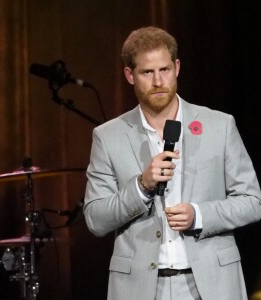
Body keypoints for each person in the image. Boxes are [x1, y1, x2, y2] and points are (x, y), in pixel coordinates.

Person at [83, 26, 261, 300]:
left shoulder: (219, 125)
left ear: (177, 68)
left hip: (211, 284)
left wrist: (198, 215)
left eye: (164, 69)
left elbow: (252, 202)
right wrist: (142, 186)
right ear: (130, 75)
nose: (158, 81)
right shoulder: (108, 136)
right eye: (147, 72)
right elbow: (95, 218)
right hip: (141, 288)